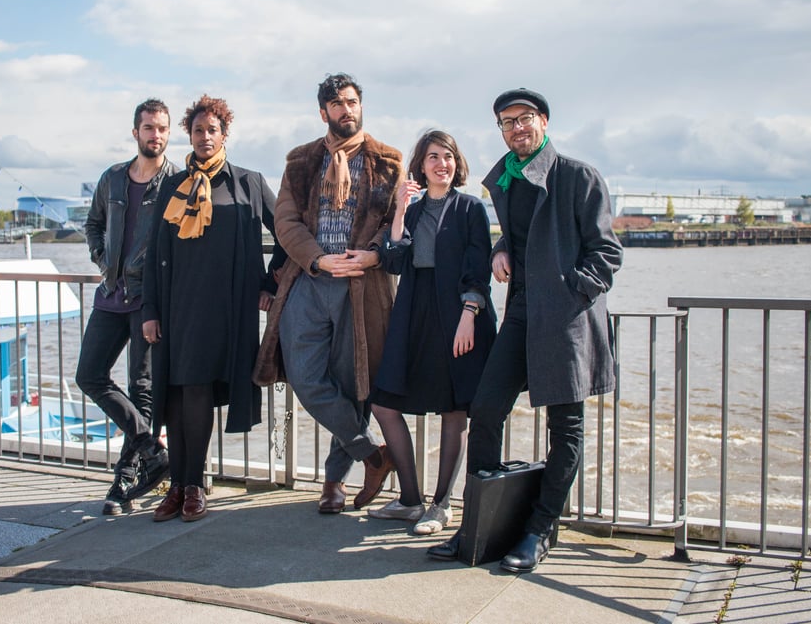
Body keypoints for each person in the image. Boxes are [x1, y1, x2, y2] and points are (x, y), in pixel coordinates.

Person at [427, 88, 623, 572]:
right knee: (487, 408)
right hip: (520, 312)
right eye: (506, 122)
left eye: (524, 118)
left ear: (544, 122)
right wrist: (499, 249)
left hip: (566, 319)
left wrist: (568, 288)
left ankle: (538, 530)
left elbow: (607, 253)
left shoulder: (578, 177)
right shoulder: (507, 182)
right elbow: (516, 238)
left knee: (566, 427)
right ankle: (477, 527)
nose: (516, 128)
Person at [255, 73, 403, 515]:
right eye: (337, 104)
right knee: (304, 376)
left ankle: (333, 482)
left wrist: (372, 254)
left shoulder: (389, 161)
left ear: (362, 105)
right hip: (310, 278)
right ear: (323, 112)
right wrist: (318, 259)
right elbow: (285, 223)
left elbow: (394, 222)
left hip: (362, 287)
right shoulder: (301, 161)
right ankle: (372, 455)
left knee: (354, 384)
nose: (346, 110)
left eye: (352, 102)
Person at [142, 94, 279, 523]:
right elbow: (153, 252)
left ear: (225, 134)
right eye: (198, 130)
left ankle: (193, 485)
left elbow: (289, 232)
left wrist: (270, 282)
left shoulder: (248, 183)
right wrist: (150, 310)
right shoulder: (171, 185)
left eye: (212, 130)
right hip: (177, 304)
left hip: (224, 311)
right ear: (190, 134)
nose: (205, 137)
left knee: (198, 389)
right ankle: (180, 486)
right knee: (177, 396)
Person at [368, 130, 496, 534]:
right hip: (415, 313)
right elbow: (393, 262)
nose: (442, 163)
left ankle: (441, 505)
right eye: (433, 157)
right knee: (384, 402)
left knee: (453, 410)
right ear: (420, 166)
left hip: (459, 313)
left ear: (457, 164)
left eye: (449, 156)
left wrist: (469, 314)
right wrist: (401, 212)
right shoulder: (414, 210)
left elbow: (478, 269)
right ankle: (410, 498)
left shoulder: (471, 209)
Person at [76, 98, 178, 516]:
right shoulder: (113, 178)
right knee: (89, 375)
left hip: (149, 297)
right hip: (111, 292)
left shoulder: (177, 181)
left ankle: (125, 478)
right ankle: (151, 449)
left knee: (142, 387)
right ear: (135, 131)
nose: (156, 135)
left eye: (162, 129)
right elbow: (93, 224)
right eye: (149, 128)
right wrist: (103, 261)